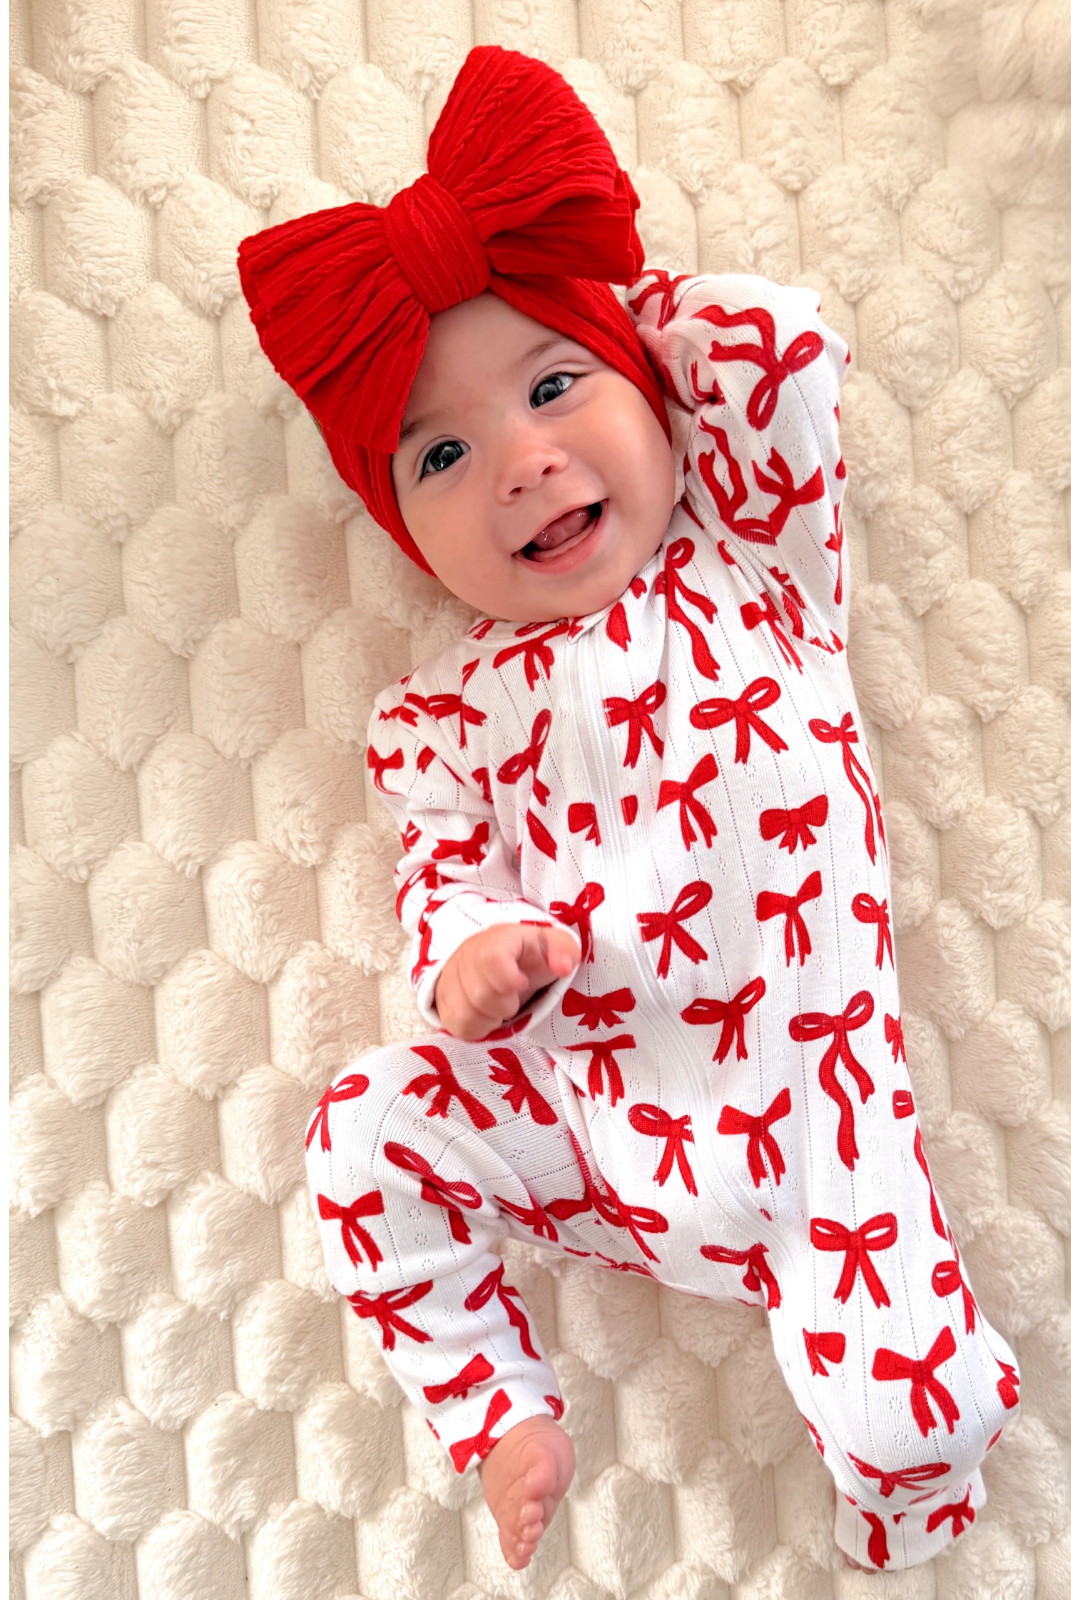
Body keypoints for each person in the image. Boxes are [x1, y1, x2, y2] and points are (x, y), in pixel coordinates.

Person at [239, 45, 1019, 1576]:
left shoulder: (756, 561)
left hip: (820, 1134)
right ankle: (498, 1408)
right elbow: (440, 872)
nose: (524, 463)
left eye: (553, 387)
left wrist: (614, 301)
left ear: (654, 401)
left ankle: (908, 1519)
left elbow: (787, 354)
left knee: (924, 1419)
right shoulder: (445, 713)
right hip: (590, 1113)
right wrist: (468, 956)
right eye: (443, 455)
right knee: (362, 1136)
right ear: (405, 529)